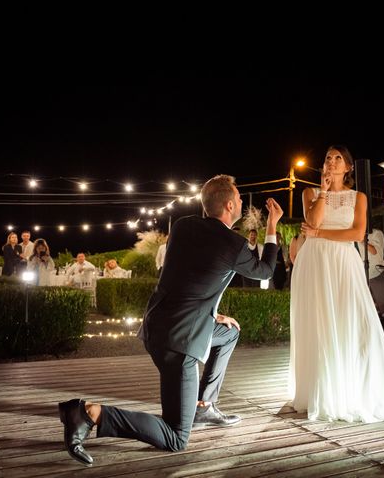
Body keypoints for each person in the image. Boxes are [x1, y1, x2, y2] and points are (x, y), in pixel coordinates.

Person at [58, 174, 283, 466]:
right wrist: (272, 227)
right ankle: (90, 413)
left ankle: (205, 405)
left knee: (228, 333)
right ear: (229, 205)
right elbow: (265, 271)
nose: (242, 202)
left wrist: (214, 314)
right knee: (176, 437)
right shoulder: (233, 244)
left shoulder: (182, 226)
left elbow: (191, 278)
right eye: (239, 198)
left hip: (157, 327)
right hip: (180, 344)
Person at [289, 145, 384, 423]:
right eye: (328, 158)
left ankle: (353, 390)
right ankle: (320, 391)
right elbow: (312, 220)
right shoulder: (310, 193)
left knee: (354, 320)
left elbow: (356, 233)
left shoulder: (359, 197)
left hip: (343, 262)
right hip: (314, 261)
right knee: (318, 323)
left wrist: (318, 233)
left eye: (337, 158)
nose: (331, 162)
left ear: (348, 167)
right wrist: (324, 191)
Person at [357, 223, 384, 315]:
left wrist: (361, 240)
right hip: (358, 275)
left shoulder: (377, 233)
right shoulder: (352, 235)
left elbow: (377, 254)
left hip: (375, 274)